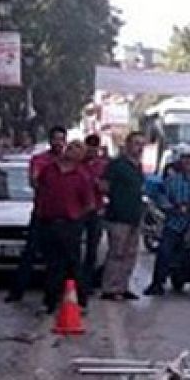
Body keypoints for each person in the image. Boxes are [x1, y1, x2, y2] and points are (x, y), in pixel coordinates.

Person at [6, 125, 68, 303]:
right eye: (55, 139)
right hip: (41, 213)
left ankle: (54, 293)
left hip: (60, 216)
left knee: (57, 257)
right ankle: (17, 291)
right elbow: (35, 182)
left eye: (61, 139)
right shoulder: (40, 160)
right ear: (50, 140)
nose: (58, 143)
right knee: (29, 254)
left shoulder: (67, 161)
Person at [34, 139, 96, 313]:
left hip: (69, 225)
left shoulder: (81, 176)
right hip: (48, 222)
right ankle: (49, 302)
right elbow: (40, 189)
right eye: (71, 146)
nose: (72, 149)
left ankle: (80, 301)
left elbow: (89, 204)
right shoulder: (49, 170)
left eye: (78, 148)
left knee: (73, 264)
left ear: (81, 156)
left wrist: (75, 217)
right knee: (52, 264)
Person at [144, 149, 190, 295]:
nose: (189, 165)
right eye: (185, 162)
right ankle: (157, 283)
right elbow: (161, 197)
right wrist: (173, 207)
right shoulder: (171, 182)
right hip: (175, 224)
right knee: (164, 250)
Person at [99, 131, 148, 301]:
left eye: (142, 144)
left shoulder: (138, 167)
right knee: (117, 253)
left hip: (135, 216)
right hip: (118, 216)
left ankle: (123, 286)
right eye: (136, 143)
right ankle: (110, 288)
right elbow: (103, 185)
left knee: (131, 254)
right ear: (127, 145)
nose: (139, 148)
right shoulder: (117, 165)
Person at [81, 134, 109, 291]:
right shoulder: (78, 164)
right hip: (78, 210)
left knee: (92, 248)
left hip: (95, 210)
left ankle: (87, 282)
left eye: (95, 147)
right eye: (89, 146)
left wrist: (98, 183)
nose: (92, 150)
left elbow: (106, 188)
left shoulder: (102, 166)